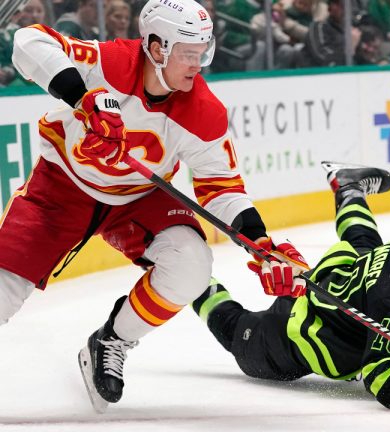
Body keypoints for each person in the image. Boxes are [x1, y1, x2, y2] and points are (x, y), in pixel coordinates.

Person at [7, 0, 307, 411]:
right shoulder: (110, 63)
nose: (197, 63)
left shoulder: (203, 111)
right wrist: (83, 98)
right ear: (155, 46)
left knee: (192, 262)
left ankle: (111, 340)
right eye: (188, 53)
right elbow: (28, 40)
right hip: (62, 189)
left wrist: (259, 242)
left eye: (202, 52)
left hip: (138, 200)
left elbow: (221, 187)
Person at [192, 162, 390, 415]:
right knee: (236, 333)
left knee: (364, 242)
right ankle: (189, 277)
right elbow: (379, 376)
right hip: (299, 330)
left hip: (343, 280)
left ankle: (347, 186)